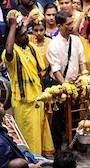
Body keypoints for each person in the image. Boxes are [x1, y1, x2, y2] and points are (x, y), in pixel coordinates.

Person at [3, 12, 54, 156]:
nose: (26, 36)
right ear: (14, 37)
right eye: (22, 35)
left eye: (26, 33)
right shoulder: (11, 52)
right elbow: (8, 52)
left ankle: (41, 158)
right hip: (23, 102)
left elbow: (40, 74)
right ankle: (33, 161)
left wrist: (45, 96)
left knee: (40, 131)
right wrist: (13, 26)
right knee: (29, 134)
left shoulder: (32, 48)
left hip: (38, 97)